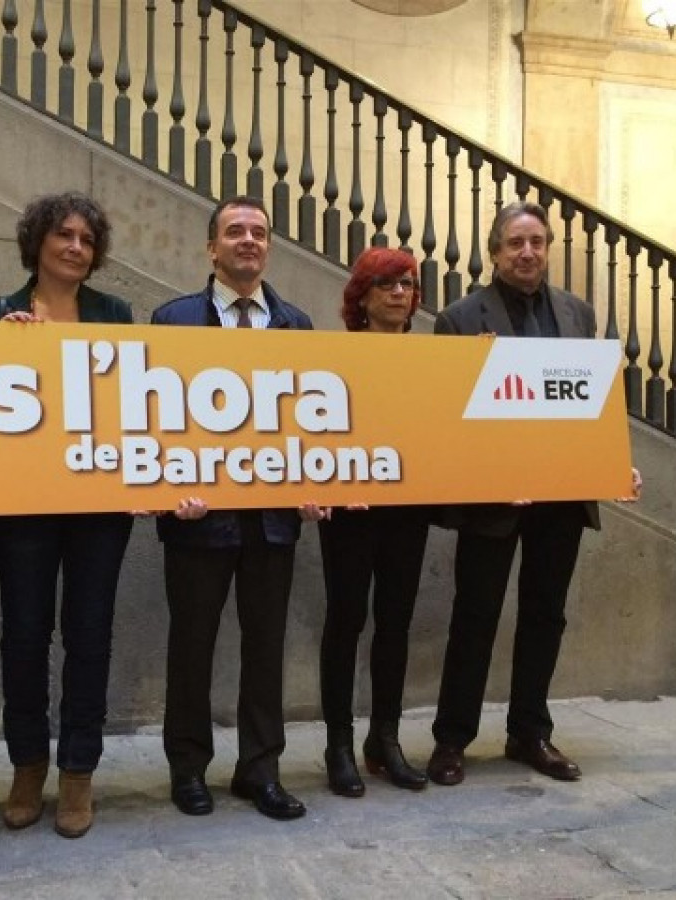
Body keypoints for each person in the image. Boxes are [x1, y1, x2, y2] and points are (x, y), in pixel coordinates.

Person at [426, 201, 641, 787]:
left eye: (537, 242)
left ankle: (530, 732)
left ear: (547, 248)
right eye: (516, 243)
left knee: (546, 614)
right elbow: (448, 418)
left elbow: (590, 404)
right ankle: (452, 740)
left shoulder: (577, 312)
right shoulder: (458, 319)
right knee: (475, 616)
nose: (528, 253)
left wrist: (613, 464)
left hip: (561, 497)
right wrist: (488, 473)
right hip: (492, 499)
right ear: (495, 252)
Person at [150, 196, 326, 822]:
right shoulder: (173, 320)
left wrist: (315, 481)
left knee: (266, 649)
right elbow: (153, 415)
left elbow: (310, 418)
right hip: (198, 519)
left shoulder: (296, 324)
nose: (248, 240)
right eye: (235, 231)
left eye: (258, 232)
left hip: (273, 521)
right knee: (191, 648)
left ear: (268, 247)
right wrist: (166, 488)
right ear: (212, 248)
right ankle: (188, 768)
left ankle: (260, 769)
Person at [0, 193, 134, 839]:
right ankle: (27, 766)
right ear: (37, 242)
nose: (75, 247)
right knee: (23, 636)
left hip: (99, 501)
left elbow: (130, 398)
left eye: (87, 240)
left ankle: (77, 773)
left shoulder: (114, 314)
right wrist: (7, 351)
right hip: (22, 504)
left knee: (90, 637)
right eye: (64, 235)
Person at [319, 247, 432, 798]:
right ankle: (338, 744)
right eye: (386, 284)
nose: (399, 293)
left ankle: (384, 739)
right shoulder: (335, 358)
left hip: (408, 510)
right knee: (345, 622)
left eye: (407, 284)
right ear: (361, 296)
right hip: (349, 510)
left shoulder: (435, 362)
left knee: (396, 623)